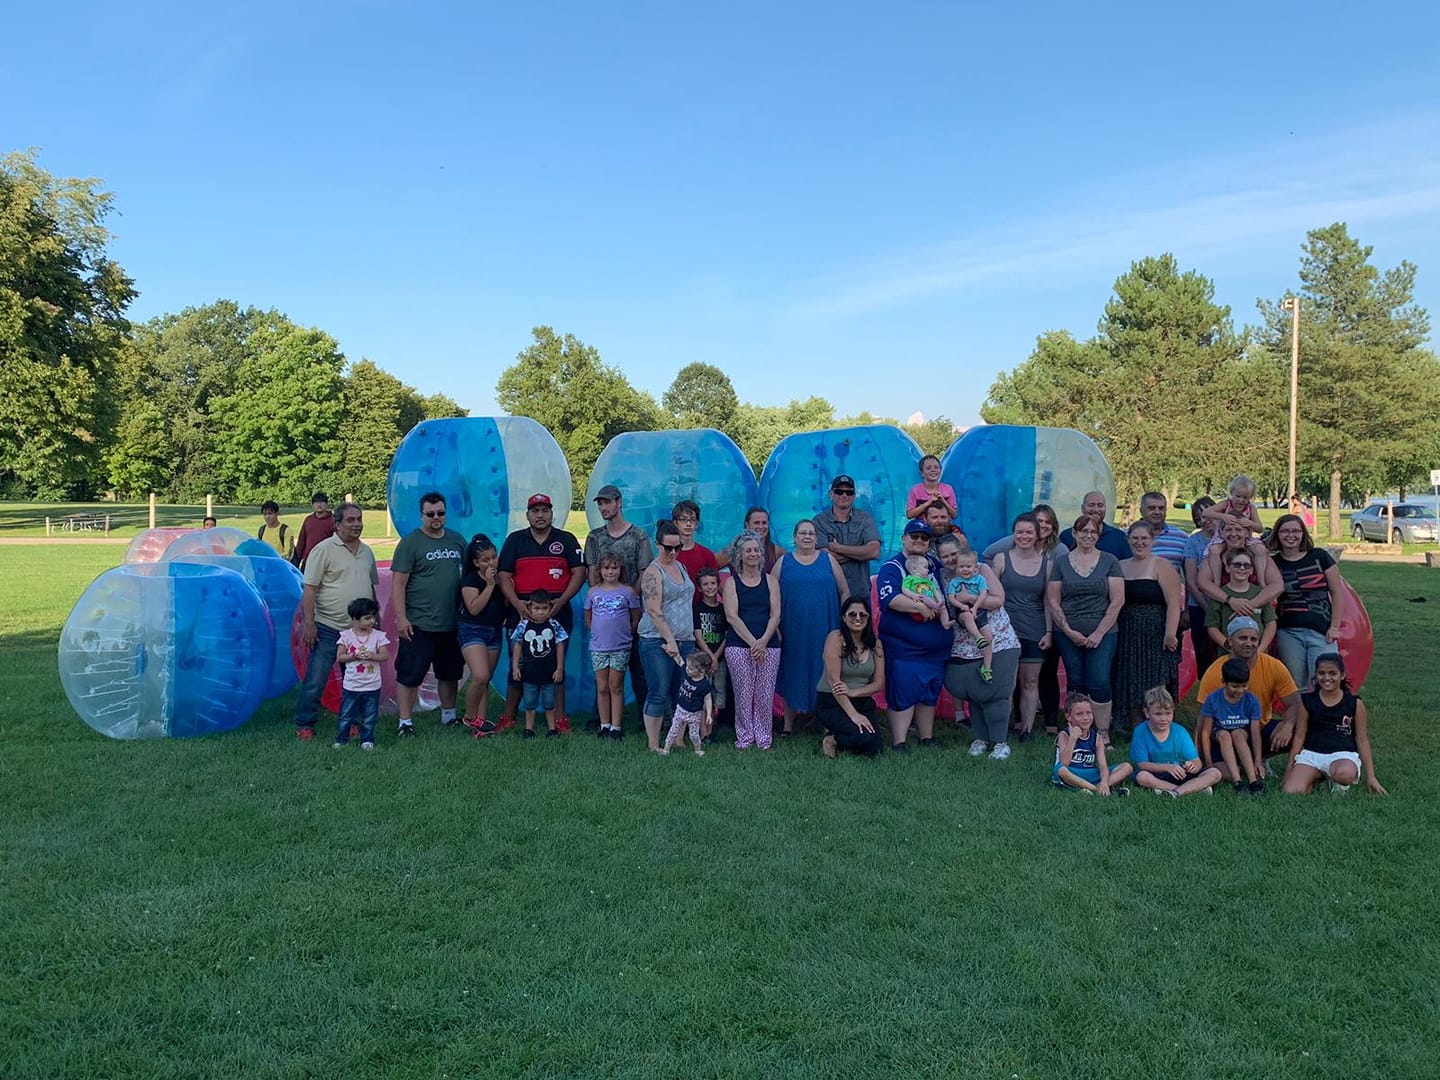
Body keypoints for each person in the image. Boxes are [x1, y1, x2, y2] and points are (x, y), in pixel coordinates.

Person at [498, 493, 585, 732]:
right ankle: (509, 717)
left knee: (555, 665)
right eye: (535, 511)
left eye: (544, 510)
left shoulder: (565, 540)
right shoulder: (515, 540)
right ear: (527, 515)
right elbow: (503, 575)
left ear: (551, 513)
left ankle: (559, 719)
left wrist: (561, 601)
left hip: (557, 612)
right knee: (518, 663)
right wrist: (517, 603)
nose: (540, 515)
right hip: (522, 614)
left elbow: (579, 572)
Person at [292, 503, 378, 741]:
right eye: (350, 520)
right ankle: (305, 723)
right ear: (337, 524)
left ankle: (353, 722)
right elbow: (310, 590)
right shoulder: (323, 550)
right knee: (316, 679)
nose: (357, 524)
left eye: (359, 519)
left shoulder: (367, 552)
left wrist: (374, 622)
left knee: (357, 680)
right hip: (328, 628)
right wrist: (309, 624)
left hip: (358, 632)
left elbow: (369, 587)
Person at [936, 533, 1019, 760]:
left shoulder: (981, 569)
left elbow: (998, 599)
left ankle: (1001, 741)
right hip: (963, 644)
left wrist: (969, 599)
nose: (951, 560)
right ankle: (980, 737)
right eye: (945, 556)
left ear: (962, 550)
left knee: (995, 694)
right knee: (973, 693)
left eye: (954, 553)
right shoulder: (942, 576)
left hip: (997, 640)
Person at [986, 504, 1067, 734]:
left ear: (1037, 534)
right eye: (1019, 532)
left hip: (1034, 629)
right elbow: (990, 594)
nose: (1024, 536)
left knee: (1030, 682)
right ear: (1014, 533)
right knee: (1006, 683)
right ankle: (1003, 728)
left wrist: (1049, 632)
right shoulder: (1001, 559)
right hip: (1004, 630)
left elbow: (1048, 602)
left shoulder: (1048, 564)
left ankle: (1027, 730)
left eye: (1029, 532)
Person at [391, 492, 466, 736]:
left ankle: (448, 715)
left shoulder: (456, 541)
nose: (436, 518)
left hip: (451, 622)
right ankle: (405, 721)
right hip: (420, 623)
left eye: (440, 513)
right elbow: (398, 584)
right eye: (430, 514)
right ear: (421, 515)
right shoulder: (411, 543)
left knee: (449, 672)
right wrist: (401, 618)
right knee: (411, 674)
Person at [876, 519, 953, 750]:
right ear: (904, 538)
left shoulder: (934, 565)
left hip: (936, 649)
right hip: (906, 649)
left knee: (929, 694)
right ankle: (899, 741)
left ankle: (926, 737)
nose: (919, 541)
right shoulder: (894, 566)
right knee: (904, 694)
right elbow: (889, 599)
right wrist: (919, 607)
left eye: (924, 537)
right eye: (914, 536)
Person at [1046, 515, 1125, 741]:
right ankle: (1079, 732)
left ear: (1098, 535)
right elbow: (1053, 600)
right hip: (1067, 633)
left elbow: (1117, 600)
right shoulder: (1061, 563)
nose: (1088, 536)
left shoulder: (1110, 561)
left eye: (1093, 532)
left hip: (1104, 632)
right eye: (1084, 531)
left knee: (1099, 681)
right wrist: (1069, 631)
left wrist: (1099, 633)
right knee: (1076, 681)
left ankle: (1102, 732)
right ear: (1075, 534)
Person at [584, 484, 654, 713]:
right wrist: (600, 599)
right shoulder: (595, 537)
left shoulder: (638, 536)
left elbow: (645, 571)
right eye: (600, 503)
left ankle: (647, 717)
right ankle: (601, 717)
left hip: (631, 612)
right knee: (602, 670)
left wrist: (629, 597)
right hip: (604, 615)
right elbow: (592, 570)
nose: (603, 507)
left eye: (607, 502)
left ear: (619, 502)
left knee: (637, 666)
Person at [1194, 617, 1302, 763]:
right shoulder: (1215, 671)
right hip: (1226, 734)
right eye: (1242, 638)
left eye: (1253, 639)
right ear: (1230, 641)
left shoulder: (1273, 666)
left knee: (1302, 731)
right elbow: (1203, 717)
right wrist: (1197, 754)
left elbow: (1295, 703)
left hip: (1260, 729)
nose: (1249, 643)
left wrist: (1288, 726)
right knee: (1223, 775)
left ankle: (1265, 759)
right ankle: (1235, 761)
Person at [773, 519, 847, 734]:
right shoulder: (783, 562)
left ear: (816, 538)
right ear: (794, 537)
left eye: (811, 533)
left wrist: (845, 623)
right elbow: (771, 595)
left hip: (825, 629)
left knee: (825, 673)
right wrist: (775, 626)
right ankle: (787, 726)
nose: (807, 537)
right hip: (792, 630)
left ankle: (825, 723)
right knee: (791, 672)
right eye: (803, 533)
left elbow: (844, 591)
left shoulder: (828, 560)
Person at [1283, 652, 1386, 795]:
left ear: (1342, 675)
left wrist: (1371, 777)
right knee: (1291, 791)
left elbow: (1362, 739)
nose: (1326, 678)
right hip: (1312, 754)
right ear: (1316, 675)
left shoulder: (1354, 703)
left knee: (1344, 775)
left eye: (1332, 673)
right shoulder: (1306, 701)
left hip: (1342, 755)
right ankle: (1318, 777)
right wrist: (1289, 769)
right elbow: (1299, 737)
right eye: (1321, 673)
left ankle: (1335, 780)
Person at [1113, 520, 1182, 733]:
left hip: (1155, 631)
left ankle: (1157, 722)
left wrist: (1170, 633)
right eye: (1135, 538)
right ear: (1128, 540)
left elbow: (1173, 602)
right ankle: (1131, 723)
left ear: (1153, 540)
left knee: (1153, 678)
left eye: (1144, 538)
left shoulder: (1162, 565)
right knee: (1129, 675)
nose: (1139, 542)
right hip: (1127, 631)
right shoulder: (1120, 565)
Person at [1267, 513, 1347, 690]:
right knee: (1295, 685)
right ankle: (1299, 718)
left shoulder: (1320, 557)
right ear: (1277, 535)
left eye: (1296, 531)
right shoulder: (1273, 563)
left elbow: (1337, 593)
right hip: (1289, 632)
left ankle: (1326, 717)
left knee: (1327, 681)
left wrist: (1334, 627)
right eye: (1285, 531)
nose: (1290, 535)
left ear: (1303, 533)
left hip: (1321, 630)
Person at [638, 521, 697, 752]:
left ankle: (678, 739)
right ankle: (654, 744)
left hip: (685, 640)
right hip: (657, 640)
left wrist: (681, 640)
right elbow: (653, 609)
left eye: (677, 548)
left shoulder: (680, 567)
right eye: (668, 548)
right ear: (657, 544)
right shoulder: (653, 572)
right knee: (659, 691)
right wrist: (669, 640)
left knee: (683, 691)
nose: (672, 552)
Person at [723, 531, 782, 750]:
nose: (753, 553)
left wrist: (764, 641)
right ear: (739, 555)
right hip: (738, 646)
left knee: (765, 694)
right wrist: (753, 643)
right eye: (748, 550)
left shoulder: (771, 581)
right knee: (743, 692)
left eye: (756, 550)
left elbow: (775, 614)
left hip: (769, 645)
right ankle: (745, 736)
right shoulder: (731, 583)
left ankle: (764, 737)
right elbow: (731, 616)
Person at [815, 597, 887, 758]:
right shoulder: (835, 638)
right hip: (832, 700)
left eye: (863, 615)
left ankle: (843, 734)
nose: (858, 618)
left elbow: (879, 683)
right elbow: (834, 681)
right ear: (844, 617)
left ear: (868, 618)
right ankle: (832, 740)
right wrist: (854, 716)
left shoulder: (876, 645)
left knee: (875, 749)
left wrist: (854, 692)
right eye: (852, 614)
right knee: (861, 736)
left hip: (861, 700)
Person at [584, 552, 641, 740]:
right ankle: (604, 724)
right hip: (599, 647)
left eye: (614, 567)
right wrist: (600, 634)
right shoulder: (593, 592)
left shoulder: (628, 592)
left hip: (620, 646)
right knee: (601, 687)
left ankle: (616, 726)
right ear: (600, 570)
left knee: (615, 685)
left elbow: (635, 617)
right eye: (607, 568)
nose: (610, 571)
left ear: (620, 570)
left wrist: (624, 634)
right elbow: (588, 618)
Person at [1129, 687, 1223, 797]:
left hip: (1179, 773)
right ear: (1147, 713)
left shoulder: (1179, 731)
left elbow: (1197, 762)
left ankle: (1175, 792)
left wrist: (1192, 766)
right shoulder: (1140, 731)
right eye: (1158, 714)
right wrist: (1167, 768)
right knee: (1142, 777)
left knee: (1215, 773)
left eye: (1168, 713)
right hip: (1156, 774)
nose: (1164, 719)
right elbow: (1142, 764)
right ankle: (1190, 790)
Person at [458, 533, 507, 736]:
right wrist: (489, 585)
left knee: (485, 680)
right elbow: (474, 608)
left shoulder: (501, 578)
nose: (492, 562)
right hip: (472, 630)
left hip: (494, 631)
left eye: (494, 557)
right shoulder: (470, 580)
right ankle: (469, 717)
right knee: (480, 675)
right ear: (476, 563)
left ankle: (480, 723)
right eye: (486, 560)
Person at [1197, 657, 1265, 794]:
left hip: (1242, 737)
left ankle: (1253, 781)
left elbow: (1255, 732)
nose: (1240, 690)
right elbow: (1205, 731)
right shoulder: (1213, 699)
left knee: (1237, 734)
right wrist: (1208, 761)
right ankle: (1237, 781)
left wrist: (1258, 759)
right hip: (1220, 737)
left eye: (1244, 686)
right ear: (1224, 682)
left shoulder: (1252, 700)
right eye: (1235, 686)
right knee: (1224, 735)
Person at [813, 474, 881, 606]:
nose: (844, 495)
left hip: (860, 594)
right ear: (831, 494)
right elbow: (825, 559)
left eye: (849, 492)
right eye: (839, 491)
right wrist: (861, 553)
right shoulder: (818, 521)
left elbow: (874, 552)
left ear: (854, 496)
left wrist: (838, 548)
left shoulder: (865, 518)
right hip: (830, 593)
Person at [333, 597, 389, 750]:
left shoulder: (378, 636)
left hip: (372, 685)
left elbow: (384, 656)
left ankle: (367, 739)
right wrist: (353, 656)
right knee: (346, 715)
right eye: (367, 618)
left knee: (369, 716)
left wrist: (372, 656)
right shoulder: (346, 636)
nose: (372, 621)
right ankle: (341, 739)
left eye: (373, 617)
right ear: (355, 619)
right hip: (352, 685)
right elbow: (340, 657)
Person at [510, 590, 568, 739]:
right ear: (529, 608)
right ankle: (529, 729)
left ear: (550, 608)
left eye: (544, 609)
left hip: (549, 673)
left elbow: (560, 645)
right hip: (529, 673)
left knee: (549, 702)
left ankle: (552, 728)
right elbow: (517, 643)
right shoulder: (523, 626)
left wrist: (560, 668)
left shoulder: (554, 625)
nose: (541, 612)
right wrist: (515, 666)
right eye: (537, 609)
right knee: (529, 702)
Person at [1052, 695, 1133, 795]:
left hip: (1091, 773)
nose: (1085, 718)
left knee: (1127, 767)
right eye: (1079, 714)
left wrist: (1104, 781)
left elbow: (1103, 766)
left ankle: (1098, 787)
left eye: (1088, 713)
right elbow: (1064, 763)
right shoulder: (1064, 735)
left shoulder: (1096, 737)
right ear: (1068, 716)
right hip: (1071, 773)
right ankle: (1097, 789)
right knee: (1060, 770)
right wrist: (1073, 739)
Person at [1204, 548, 1277, 655]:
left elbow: (1270, 623)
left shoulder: (1260, 593)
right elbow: (1212, 627)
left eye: (1247, 566)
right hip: (1229, 654)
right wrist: (1230, 648)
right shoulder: (1219, 594)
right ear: (1228, 568)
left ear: (1252, 570)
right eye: (1237, 565)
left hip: (1257, 653)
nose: (1242, 568)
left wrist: (1261, 649)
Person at [1183, 496, 1220, 678]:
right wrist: (1208, 610)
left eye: (1208, 515)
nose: (1204, 521)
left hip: (1227, 603)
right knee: (1204, 651)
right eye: (1199, 518)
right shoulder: (1193, 542)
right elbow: (1191, 580)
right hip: (1200, 605)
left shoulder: (1229, 537)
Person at [692, 566, 728, 738]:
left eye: (713, 583)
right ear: (699, 587)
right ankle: (703, 733)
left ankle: (711, 728)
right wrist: (711, 658)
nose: (710, 587)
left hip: (720, 660)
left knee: (718, 697)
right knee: (702, 695)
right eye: (705, 584)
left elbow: (727, 635)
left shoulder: (724, 609)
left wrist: (717, 658)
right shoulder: (697, 609)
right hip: (702, 661)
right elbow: (698, 636)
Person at [945, 546, 992, 679]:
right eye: (961, 567)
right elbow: (951, 598)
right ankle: (978, 637)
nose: (965, 569)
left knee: (989, 636)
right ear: (957, 568)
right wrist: (961, 605)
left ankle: (987, 667)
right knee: (967, 617)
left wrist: (975, 607)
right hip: (962, 609)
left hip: (979, 608)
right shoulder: (955, 581)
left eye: (968, 566)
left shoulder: (980, 579)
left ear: (975, 568)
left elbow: (983, 594)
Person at [660, 652, 714, 757]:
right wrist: (673, 653)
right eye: (688, 667)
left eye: (691, 669)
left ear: (702, 672)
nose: (687, 669)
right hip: (680, 709)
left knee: (693, 734)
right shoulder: (687, 673)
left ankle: (698, 750)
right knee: (673, 730)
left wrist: (708, 714)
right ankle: (666, 749)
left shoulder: (704, 685)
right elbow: (680, 661)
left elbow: (708, 699)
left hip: (694, 713)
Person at [1058, 491, 1132, 560]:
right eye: (1091, 505)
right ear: (1082, 508)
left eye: (1100, 505)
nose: (1096, 509)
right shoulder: (1067, 536)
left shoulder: (1119, 537)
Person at [1202, 474, 1266, 545]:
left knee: (1260, 550)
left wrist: (1250, 523)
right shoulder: (1226, 504)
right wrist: (1223, 516)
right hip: (1224, 539)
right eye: (1238, 496)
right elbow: (1205, 513)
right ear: (1232, 493)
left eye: (1245, 497)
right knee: (1215, 550)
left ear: (1250, 497)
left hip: (1244, 539)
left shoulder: (1251, 508)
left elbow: (1260, 529)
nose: (1241, 500)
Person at [718, 507, 785, 574]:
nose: (761, 527)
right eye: (756, 523)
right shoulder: (733, 549)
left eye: (764, 523)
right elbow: (710, 566)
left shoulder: (776, 551)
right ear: (747, 525)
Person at [1138, 491, 1189, 576]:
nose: (1157, 512)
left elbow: (1189, 574)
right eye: (1152, 508)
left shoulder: (1181, 537)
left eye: (1161, 508)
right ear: (1141, 511)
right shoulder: (1127, 536)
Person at [671, 499, 718, 584]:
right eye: (683, 519)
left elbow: (714, 585)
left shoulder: (707, 555)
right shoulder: (670, 555)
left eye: (692, 519)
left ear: (697, 523)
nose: (688, 524)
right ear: (675, 523)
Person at [901, 553, 951, 628]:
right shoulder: (910, 579)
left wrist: (940, 600)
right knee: (924, 596)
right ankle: (935, 606)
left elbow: (935, 591)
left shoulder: (928, 581)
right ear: (915, 569)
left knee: (943, 608)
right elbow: (904, 589)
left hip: (933, 607)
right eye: (925, 567)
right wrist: (912, 595)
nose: (928, 570)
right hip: (920, 606)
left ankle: (945, 623)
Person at [906, 454, 958, 520]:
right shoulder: (915, 490)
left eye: (936, 467)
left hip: (942, 526)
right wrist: (928, 503)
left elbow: (954, 515)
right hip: (922, 527)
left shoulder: (948, 489)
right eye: (928, 468)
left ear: (940, 470)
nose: (933, 470)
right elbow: (909, 515)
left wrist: (943, 501)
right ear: (922, 473)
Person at [293, 492, 336, 569]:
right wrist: (297, 561)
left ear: (326, 504)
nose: (319, 505)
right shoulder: (308, 520)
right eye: (316, 502)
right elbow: (301, 541)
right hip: (309, 559)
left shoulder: (334, 520)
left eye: (322, 502)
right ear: (312, 505)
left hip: (327, 561)